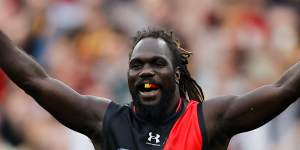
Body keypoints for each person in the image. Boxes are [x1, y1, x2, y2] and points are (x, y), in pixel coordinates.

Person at [0, 29, 299, 150]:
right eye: (137, 65)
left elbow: (284, 89)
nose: (146, 72)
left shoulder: (209, 121)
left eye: (157, 63)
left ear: (177, 75)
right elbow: (36, 82)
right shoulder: (106, 121)